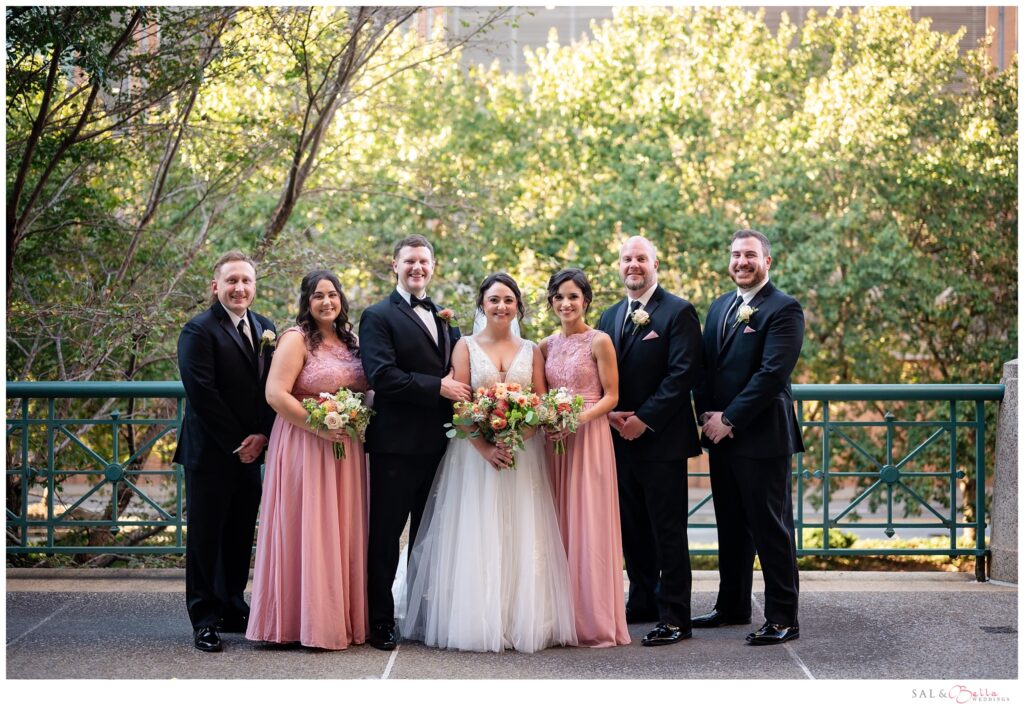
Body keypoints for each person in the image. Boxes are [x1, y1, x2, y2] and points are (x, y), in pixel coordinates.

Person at [401, 273, 576, 653]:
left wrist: (518, 438)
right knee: (477, 530)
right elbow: (460, 403)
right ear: (482, 304)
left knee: (520, 527)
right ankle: (477, 618)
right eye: (494, 299)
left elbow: (541, 401)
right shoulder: (464, 346)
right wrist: (484, 447)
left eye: (509, 300)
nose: (501, 306)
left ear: (518, 306)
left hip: (522, 453)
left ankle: (519, 618)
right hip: (473, 455)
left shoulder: (532, 349)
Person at [245, 270, 369, 650]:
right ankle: (297, 623)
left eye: (333, 294)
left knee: (339, 530)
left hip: (345, 447)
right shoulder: (295, 339)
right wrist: (317, 426)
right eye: (318, 296)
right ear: (306, 301)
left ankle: (336, 618)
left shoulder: (351, 340)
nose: (327, 302)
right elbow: (275, 394)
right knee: (309, 526)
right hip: (304, 444)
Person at [693, 229, 805, 646]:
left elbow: (772, 374)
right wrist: (706, 417)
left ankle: (782, 617)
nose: (742, 261)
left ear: (767, 262)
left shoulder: (784, 308)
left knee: (770, 528)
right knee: (732, 527)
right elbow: (705, 368)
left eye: (750, 255)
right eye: (736, 254)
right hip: (721, 436)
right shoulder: (720, 306)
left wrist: (732, 418)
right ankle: (733, 605)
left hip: (761, 438)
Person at [359, 234, 470, 651]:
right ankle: (381, 620)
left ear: (433, 266)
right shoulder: (377, 316)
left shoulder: (444, 318)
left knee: (429, 535)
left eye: (424, 261)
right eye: (409, 261)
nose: (417, 268)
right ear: (395, 265)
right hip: (395, 446)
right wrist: (437, 388)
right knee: (387, 536)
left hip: (440, 447)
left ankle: (422, 616)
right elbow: (382, 375)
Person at [597, 235, 704, 647]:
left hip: (662, 443)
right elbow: (600, 376)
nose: (633, 265)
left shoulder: (678, 312)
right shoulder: (608, 316)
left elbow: (682, 376)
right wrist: (609, 414)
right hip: (618, 441)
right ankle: (642, 601)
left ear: (655, 263)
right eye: (627, 259)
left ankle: (676, 616)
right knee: (633, 529)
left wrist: (645, 419)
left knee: (668, 531)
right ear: (619, 266)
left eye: (641, 258)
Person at [174, 250, 276, 653]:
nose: (239, 288)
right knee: (205, 539)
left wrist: (263, 436)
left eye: (246, 281)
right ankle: (204, 619)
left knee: (238, 535)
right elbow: (203, 394)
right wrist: (242, 442)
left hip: (252, 452)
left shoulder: (266, 328)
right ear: (216, 286)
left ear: (254, 287)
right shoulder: (198, 330)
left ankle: (233, 604)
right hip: (213, 453)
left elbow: (273, 390)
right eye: (231, 281)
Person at [540, 268, 630, 647]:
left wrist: (578, 418)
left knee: (588, 522)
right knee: (556, 522)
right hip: (554, 441)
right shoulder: (543, 346)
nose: (566, 304)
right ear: (551, 303)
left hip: (589, 436)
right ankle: (557, 617)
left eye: (573, 296)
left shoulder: (600, 341)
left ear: (586, 301)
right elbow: (540, 393)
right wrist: (551, 418)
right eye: (559, 297)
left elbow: (612, 395)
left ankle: (591, 620)